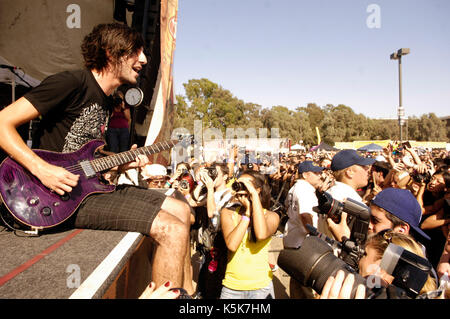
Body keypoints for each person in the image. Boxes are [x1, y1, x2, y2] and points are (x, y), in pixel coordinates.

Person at [0, 23, 192, 293]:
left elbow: (88, 157)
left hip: (87, 189)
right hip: (56, 198)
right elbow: (2, 123)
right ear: (111, 53)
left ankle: (189, 294)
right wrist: (43, 170)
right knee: (170, 229)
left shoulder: (106, 100)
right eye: (136, 51)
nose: (144, 60)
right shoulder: (71, 83)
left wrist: (124, 161)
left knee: (183, 209)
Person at [220, 170, 280, 299]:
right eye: (239, 183)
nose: (241, 187)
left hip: (261, 287)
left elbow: (261, 234)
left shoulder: (272, 216)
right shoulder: (228, 213)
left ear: (258, 190)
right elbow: (232, 245)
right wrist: (247, 214)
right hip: (232, 287)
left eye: (246, 185)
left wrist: (254, 197)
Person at [283, 161, 330, 299]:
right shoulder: (304, 189)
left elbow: (287, 207)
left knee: (298, 282)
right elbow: (305, 215)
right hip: (302, 242)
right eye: (315, 173)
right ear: (305, 175)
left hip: (294, 237)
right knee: (304, 285)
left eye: (320, 172)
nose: (320, 176)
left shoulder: (296, 187)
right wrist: (315, 236)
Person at [319, 149, 375, 240]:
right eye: (363, 166)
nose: (368, 170)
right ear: (349, 172)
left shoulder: (331, 193)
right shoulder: (351, 201)